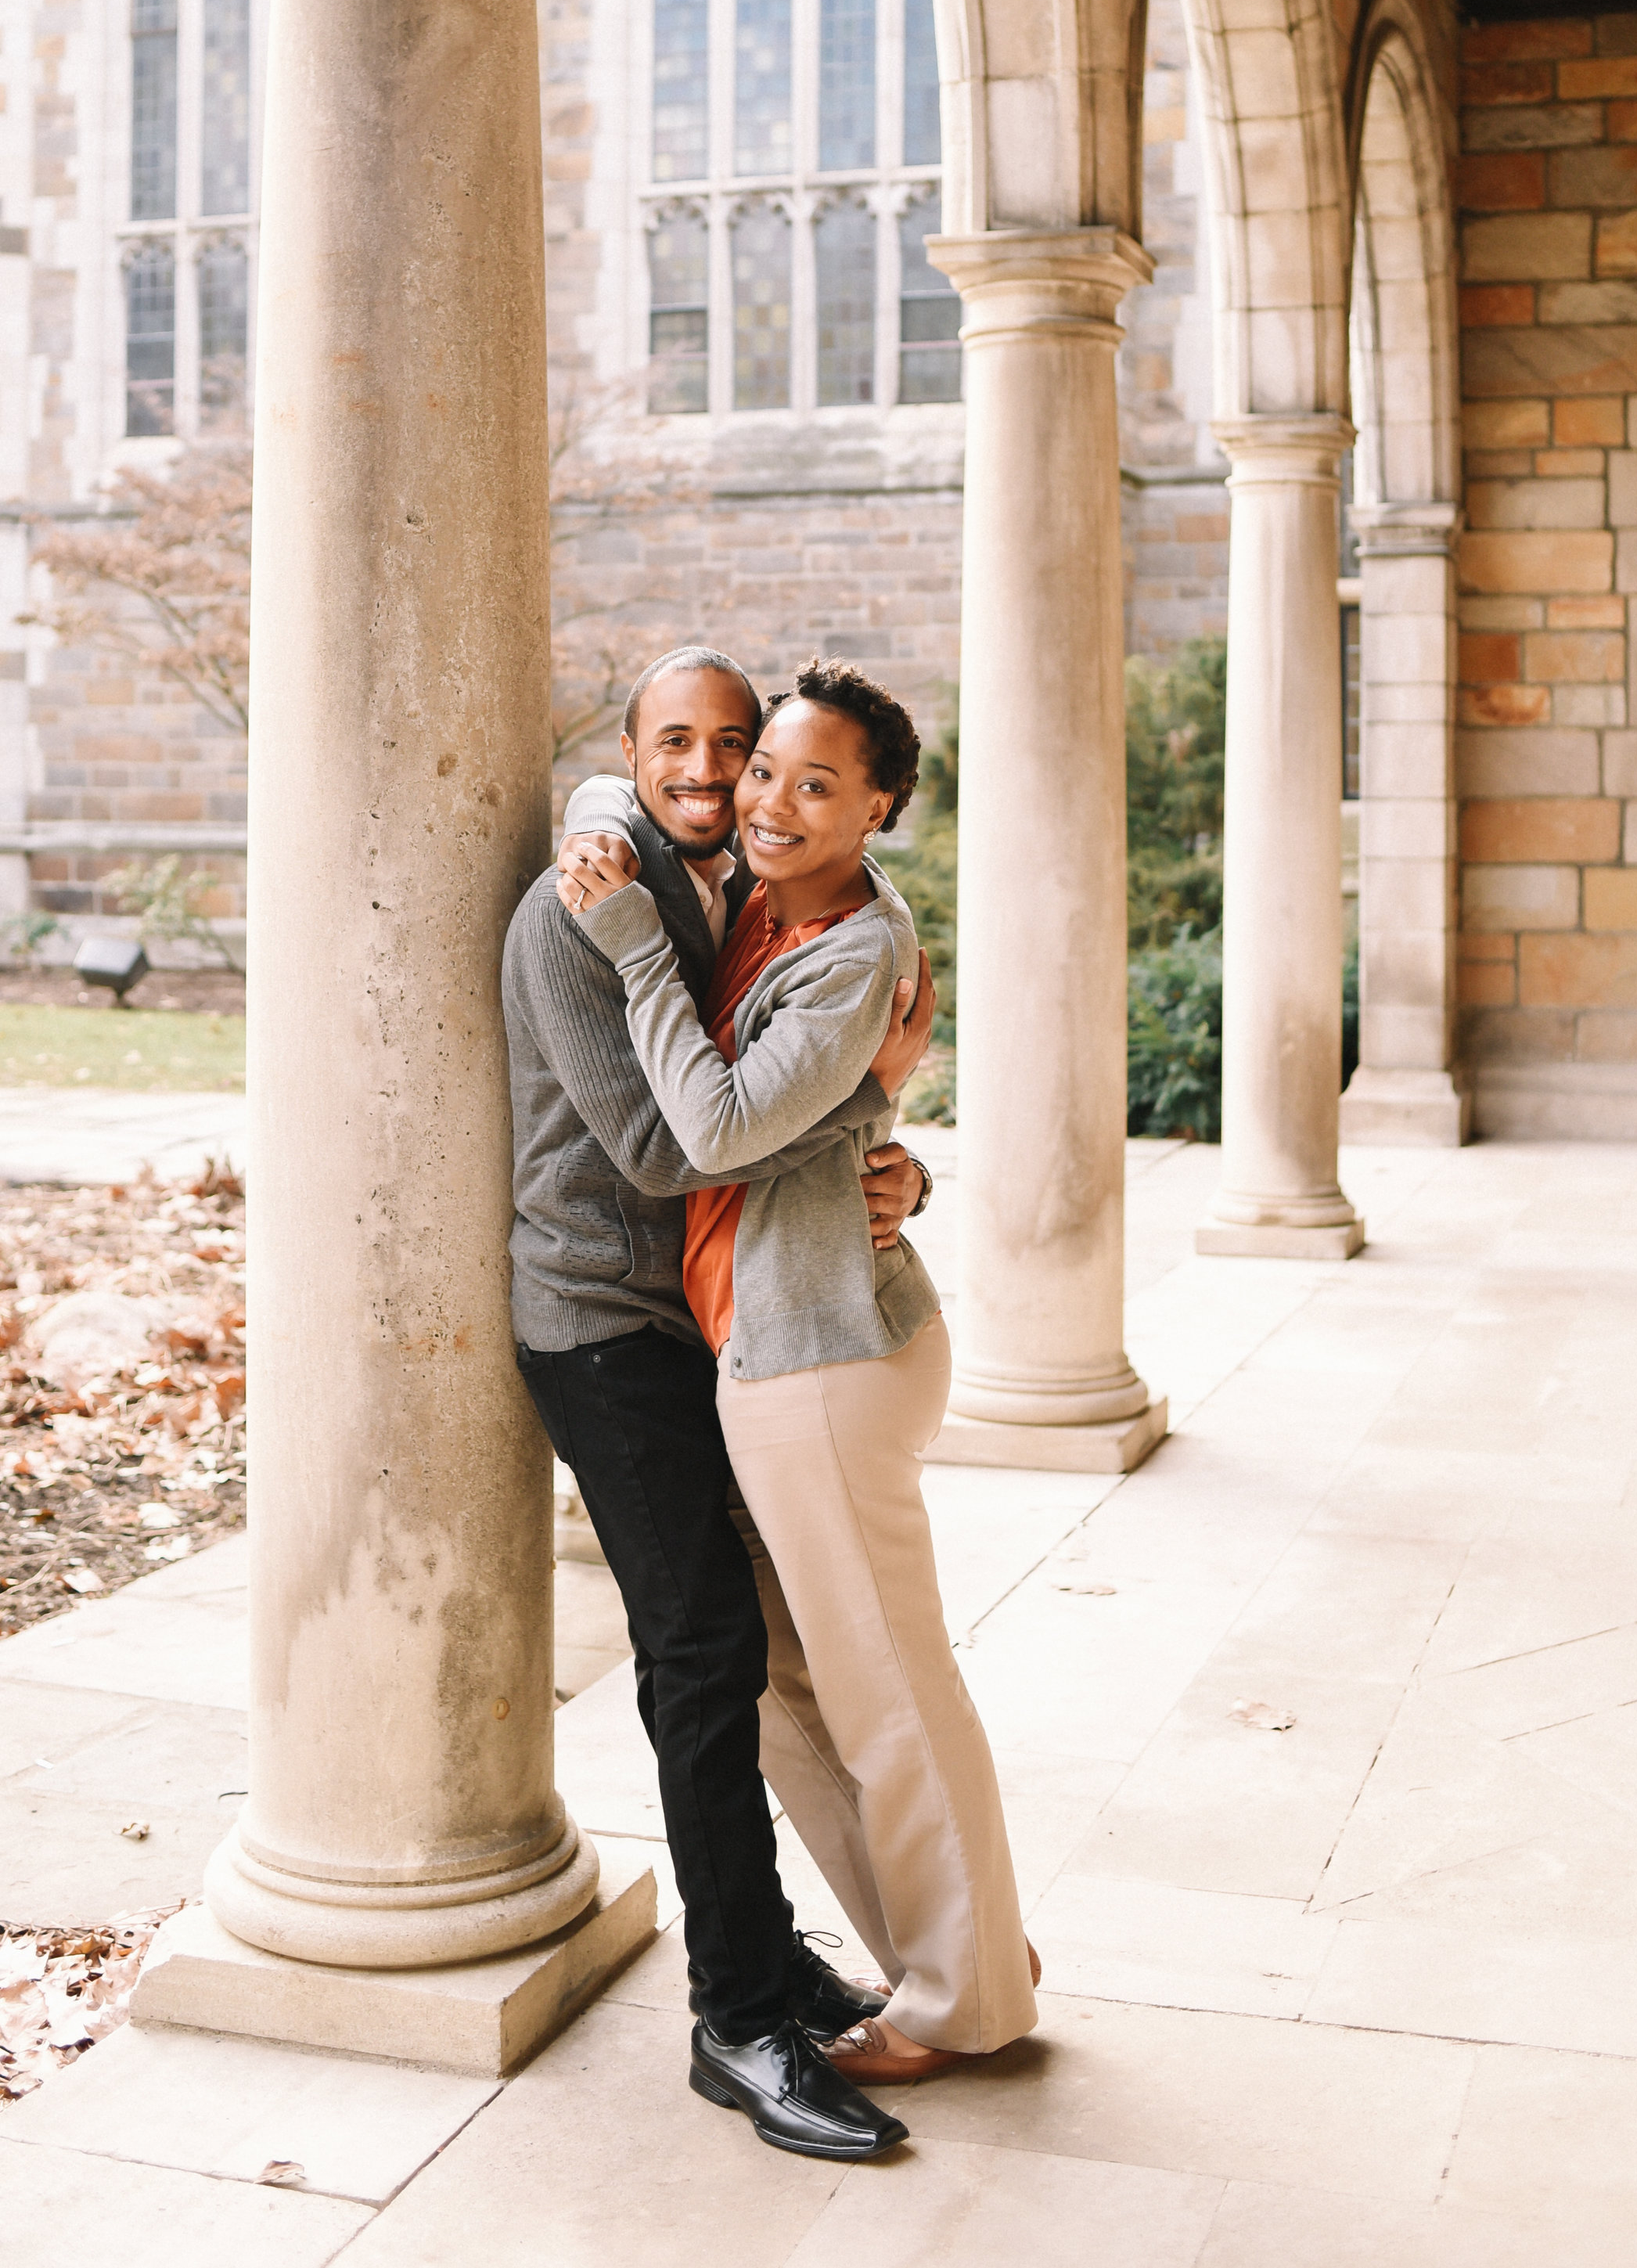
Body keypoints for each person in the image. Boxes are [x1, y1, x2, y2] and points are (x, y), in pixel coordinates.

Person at [558, 659, 1038, 2088]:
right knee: (783, 1679)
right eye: (765, 765)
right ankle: (972, 1946)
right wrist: (879, 1149)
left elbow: (708, 1128)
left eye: (812, 783)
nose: (765, 797)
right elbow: (627, 791)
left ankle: (963, 2003)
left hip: (826, 1367)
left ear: (878, 808)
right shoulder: (779, 889)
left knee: (888, 1690)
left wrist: (636, 943)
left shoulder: (848, 949)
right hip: (778, 1344)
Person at [502, 645, 934, 2164]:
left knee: (757, 1655)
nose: (711, 770)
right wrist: (838, 1128)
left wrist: (887, 1156)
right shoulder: (582, 911)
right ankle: (733, 2018)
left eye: (734, 745)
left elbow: (795, 1066)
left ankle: (775, 1959)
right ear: (625, 752)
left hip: (708, 1321)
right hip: (601, 1328)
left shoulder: (722, 896)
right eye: (673, 743)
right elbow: (667, 1153)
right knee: (699, 1657)